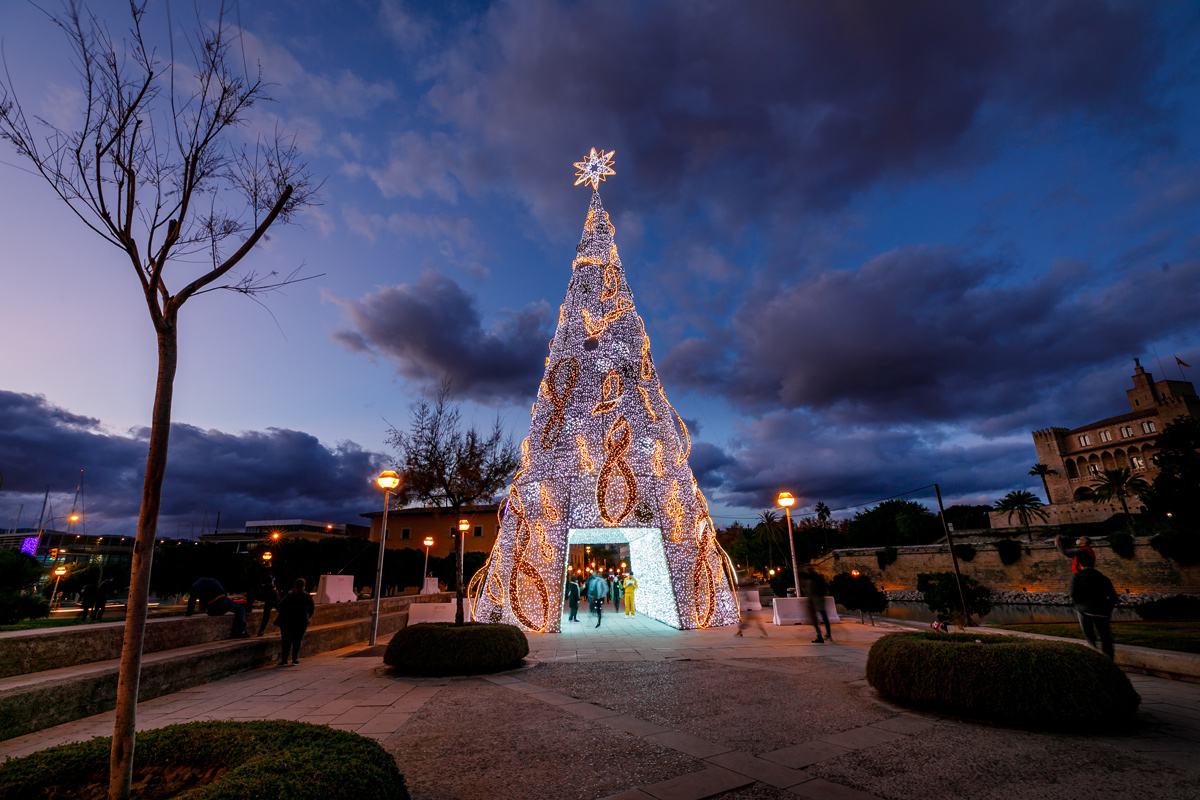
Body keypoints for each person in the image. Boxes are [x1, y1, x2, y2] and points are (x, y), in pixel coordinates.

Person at [1068, 550, 1118, 660]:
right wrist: (1108, 609)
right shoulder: (1103, 578)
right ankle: (1109, 658)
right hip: (1103, 611)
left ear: (1080, 565)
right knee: (1105, 636)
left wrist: (1079, 606)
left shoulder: (1077, 577)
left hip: (1085, 610)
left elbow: (1073, 594)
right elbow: (1113, 597)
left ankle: (1094, 652)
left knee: (1088, 634)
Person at [273, 578, 315, 666]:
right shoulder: (307, 597)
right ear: (304, 586)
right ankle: (294, 659)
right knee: (297, 640)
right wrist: (306, 616)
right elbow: (311, 610)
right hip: (301, 621)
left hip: (287, 621)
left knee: (286, 641)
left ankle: (284, 660)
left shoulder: (289, 596)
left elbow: (279, 607)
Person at [801, 567, 832, 643]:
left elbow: (809, 591)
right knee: (824, 617)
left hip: (814, 601)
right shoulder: (820, 579)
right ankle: (828, 634)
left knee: (814, 619)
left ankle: (819, 635)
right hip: (821, 599)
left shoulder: (811, 581)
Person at [252, 572, 280, 636]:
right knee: (274, 608)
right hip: (271, 594)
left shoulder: (265, 577)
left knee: (267, 611)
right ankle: (261, 630)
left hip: (270, 594)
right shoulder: (267, 576)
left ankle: (261, 630)